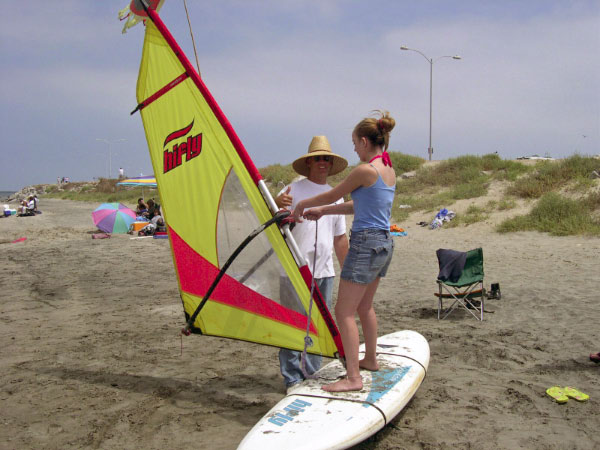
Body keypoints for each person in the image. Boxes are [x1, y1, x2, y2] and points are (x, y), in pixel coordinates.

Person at [293, 111, 396, 392]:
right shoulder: (387, 169)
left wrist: (303, 205)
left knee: (344, 312)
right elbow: (354, 206)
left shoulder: (364, 170)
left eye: (354, 143)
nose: (353, 148)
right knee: (365, 306)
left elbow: (331, 194)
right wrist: (324, 211)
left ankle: (353, 378)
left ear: (364, 141)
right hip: (384, 242)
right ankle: (371, 359)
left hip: (365, 244)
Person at [275, 136, 349, 391]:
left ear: (331, 164)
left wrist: (347, 271)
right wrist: (275, 205)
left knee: (319, 326)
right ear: (309, 163)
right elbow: (272, 222)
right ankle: (293, 377)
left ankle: (314, 375)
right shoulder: (293, 191)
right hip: (294, 270)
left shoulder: (337, 197)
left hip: (325, 272)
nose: (322, 162)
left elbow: (340, 238)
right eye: (317, 158)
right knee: (292, 324)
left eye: (326, 158)